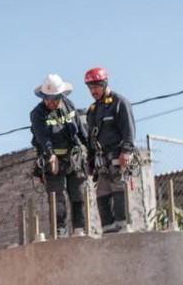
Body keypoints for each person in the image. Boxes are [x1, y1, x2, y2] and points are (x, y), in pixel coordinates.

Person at [30, 73, 88, 236]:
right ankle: (60, 232)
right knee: (57, 199)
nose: (50, 102)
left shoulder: (69, 106)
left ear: (61, 96)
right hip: (53, 160)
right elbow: (43, 138)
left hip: (74, 159)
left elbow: (81, 131)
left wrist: (90, 151)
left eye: (54, 98)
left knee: (78, 194)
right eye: (47, 98)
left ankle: (79, 229)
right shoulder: (37, 113)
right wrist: (51, 155)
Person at [84, 66, 137, 233]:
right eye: (90, 87)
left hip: (117, 155)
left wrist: (126, 152)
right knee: (102, 193)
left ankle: (124, 228)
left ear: (104, 83)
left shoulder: (120, 103)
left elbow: (129, 130)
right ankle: (108, 230)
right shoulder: (92, 110)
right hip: (101, 160)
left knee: (119, 188)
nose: (93, 91)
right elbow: (91, 138)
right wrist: (90, 161)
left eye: (96, 86)